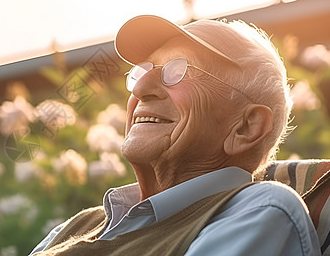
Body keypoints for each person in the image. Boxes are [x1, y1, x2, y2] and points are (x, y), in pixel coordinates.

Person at [29, 15, 322, 256]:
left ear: (246, 127)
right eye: (143, 70)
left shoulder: (257, 212)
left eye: (178, 70)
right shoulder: (78, 225)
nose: (141, 88)